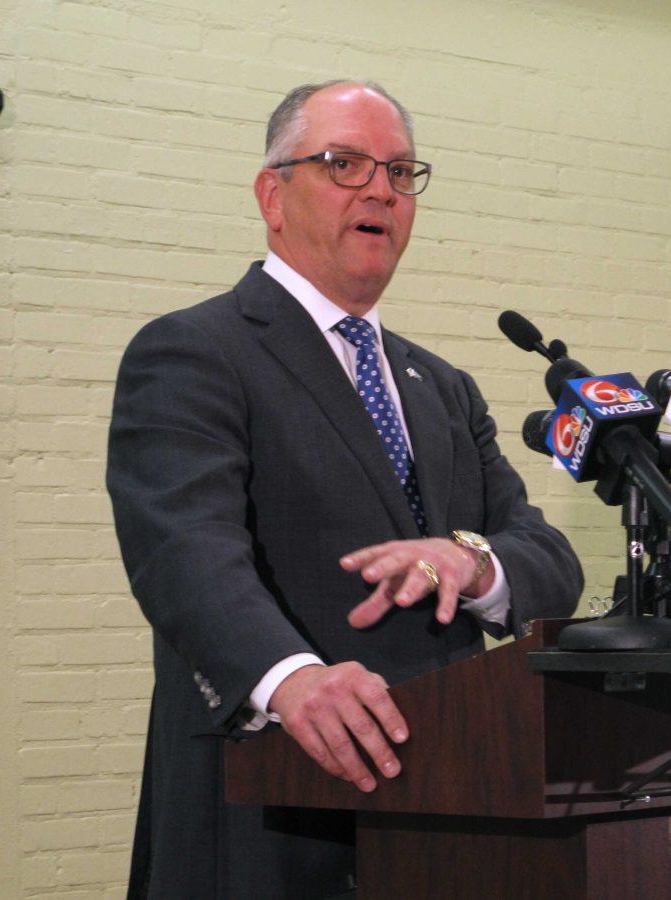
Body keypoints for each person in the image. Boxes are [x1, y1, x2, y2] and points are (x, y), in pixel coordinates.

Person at [107, 79, 583, 898]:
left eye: (401, 172)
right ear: (272, 195)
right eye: (344, 163)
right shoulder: (194, 351)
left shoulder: (442, 387)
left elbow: (547, 561)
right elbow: (183, 551)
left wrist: (472, 562)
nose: (380, 191)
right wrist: (291, 679)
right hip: (267, 805)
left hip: (442, 812)